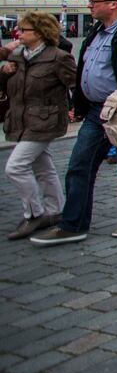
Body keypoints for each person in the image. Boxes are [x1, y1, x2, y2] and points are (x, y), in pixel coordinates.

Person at [30, 0, 117, 246]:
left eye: (95, 1)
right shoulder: (96, 31)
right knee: (79, 164)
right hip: (97, 109)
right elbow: (84, 69)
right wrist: (79, 102)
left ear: (113, 4)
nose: (90, 5)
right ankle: (73, 223)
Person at [2, 12, 76, 240]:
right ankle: (56, 210)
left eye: (24, 30)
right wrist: (3, 72)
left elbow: (75, 84)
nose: (19, 33)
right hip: (22, 118)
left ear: (40, 33)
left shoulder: (58, 57)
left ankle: (34, 213)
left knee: (15, 166)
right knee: (42, 166)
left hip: (45, 120)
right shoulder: (17, 56)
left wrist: (75, 109)